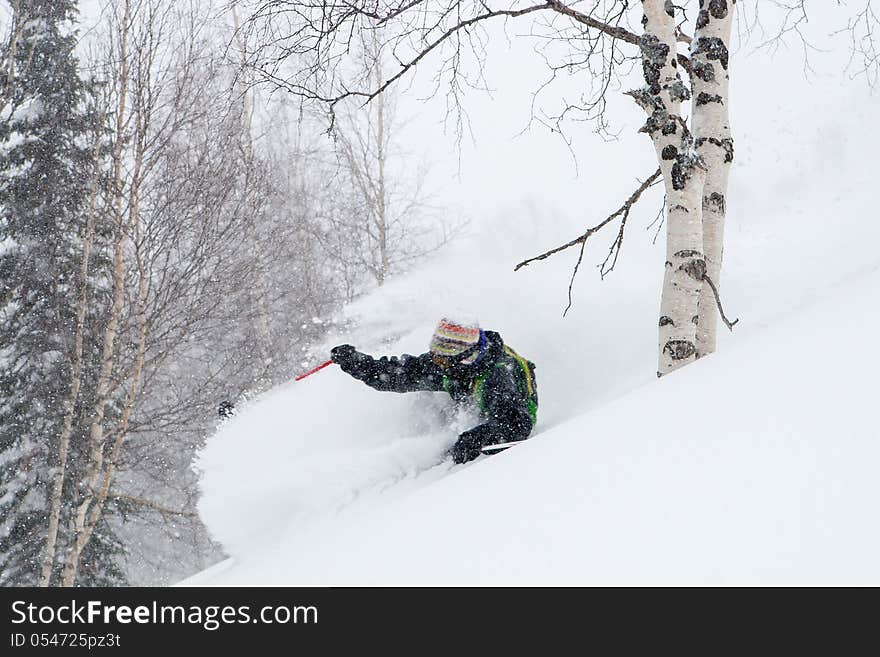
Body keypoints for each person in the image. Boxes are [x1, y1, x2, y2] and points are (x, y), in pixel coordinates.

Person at [330, 318, 538, 464]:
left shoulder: (497, 378)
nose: (436, 361)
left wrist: (478, 436)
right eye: (436, 351)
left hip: (501, 417)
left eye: (443, 355)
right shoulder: (447, 365)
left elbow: (517, 425)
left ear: (464, 356)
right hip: (471, 401)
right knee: (423, 397)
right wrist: (357, 363)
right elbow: (398, 375)